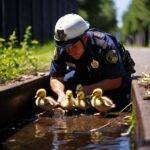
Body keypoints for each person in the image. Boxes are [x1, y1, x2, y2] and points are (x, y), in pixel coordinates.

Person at [49, 13, 135, 111]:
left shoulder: (104, 45)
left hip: (111, 76)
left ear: (85, 38)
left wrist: (87, 90)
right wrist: (61, 94)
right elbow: (55, 77)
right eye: (65, 47)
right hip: (84, 73)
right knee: (68, 87)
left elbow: (116, 80)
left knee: (120, 100)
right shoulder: (62, 49)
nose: (69, 52)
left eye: (73, 46)